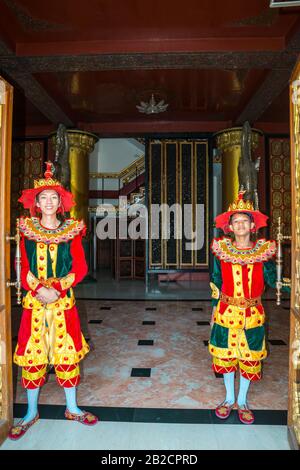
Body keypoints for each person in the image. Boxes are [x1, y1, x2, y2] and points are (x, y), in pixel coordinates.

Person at [9, 162, 98, 440]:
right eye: (43, 198)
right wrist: (37, 289)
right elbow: (20, 266)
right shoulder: (26, 230)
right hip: (34, 305)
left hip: (62, 303)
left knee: (67, 355)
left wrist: (57, 288)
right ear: (36, 202)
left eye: (53, 197)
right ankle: (31, 412)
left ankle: (72, 407)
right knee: (32, 357)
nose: (48, 202)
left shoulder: (71, 230)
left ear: (60, 202)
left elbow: (80, 268)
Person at [208, 191, 288, 424]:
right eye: (236, 221)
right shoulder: (221, 252)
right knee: (226, 357)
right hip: (225, 312)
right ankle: (228, 398)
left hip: (253, 315)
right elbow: (216, 282)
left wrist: (286, 279)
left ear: (252, 225)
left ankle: (242, 401)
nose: (240, 224)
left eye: (245, 221)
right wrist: (214, 312)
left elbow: (274, 280)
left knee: (249, 358)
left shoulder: (264, 253)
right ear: (230, 227)